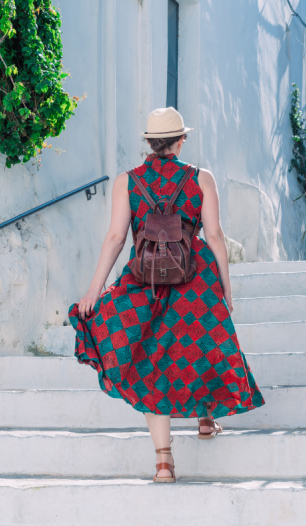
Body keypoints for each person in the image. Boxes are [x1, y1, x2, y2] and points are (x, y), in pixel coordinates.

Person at [69, 107, 264, 483]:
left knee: (151, 364)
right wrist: (225, 287)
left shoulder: (127, 181)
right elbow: (216, 237)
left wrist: (95, 290)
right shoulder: (200, 179)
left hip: (145, 281)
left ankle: (163, 463)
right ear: (181, 140)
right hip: (196, 279)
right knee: (200, 346)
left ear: (148, 144)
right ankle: (206, 420)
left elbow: (115, 238)